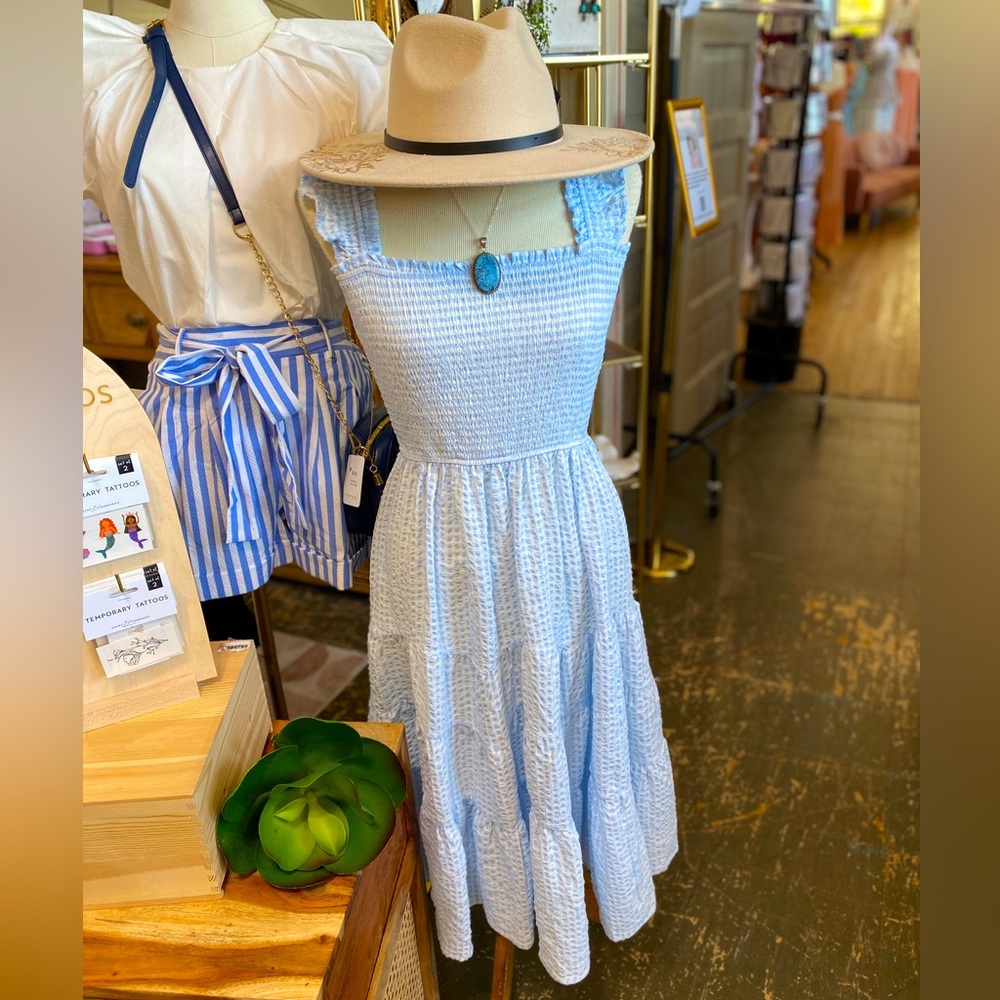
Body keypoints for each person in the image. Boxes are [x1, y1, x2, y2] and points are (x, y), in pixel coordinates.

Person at [298, 9, 678, 986]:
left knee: (570, 703)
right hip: (437, 532)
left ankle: (575, 873)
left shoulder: (602, 191)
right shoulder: (342, 212)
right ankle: (486, 896)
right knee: (455, 714)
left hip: (565, 513)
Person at [82, 0, 392, 628]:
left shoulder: (346, 66)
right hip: (192, 392)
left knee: (381, 585)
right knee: (211, 613)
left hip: (315, 385)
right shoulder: (103, 76)